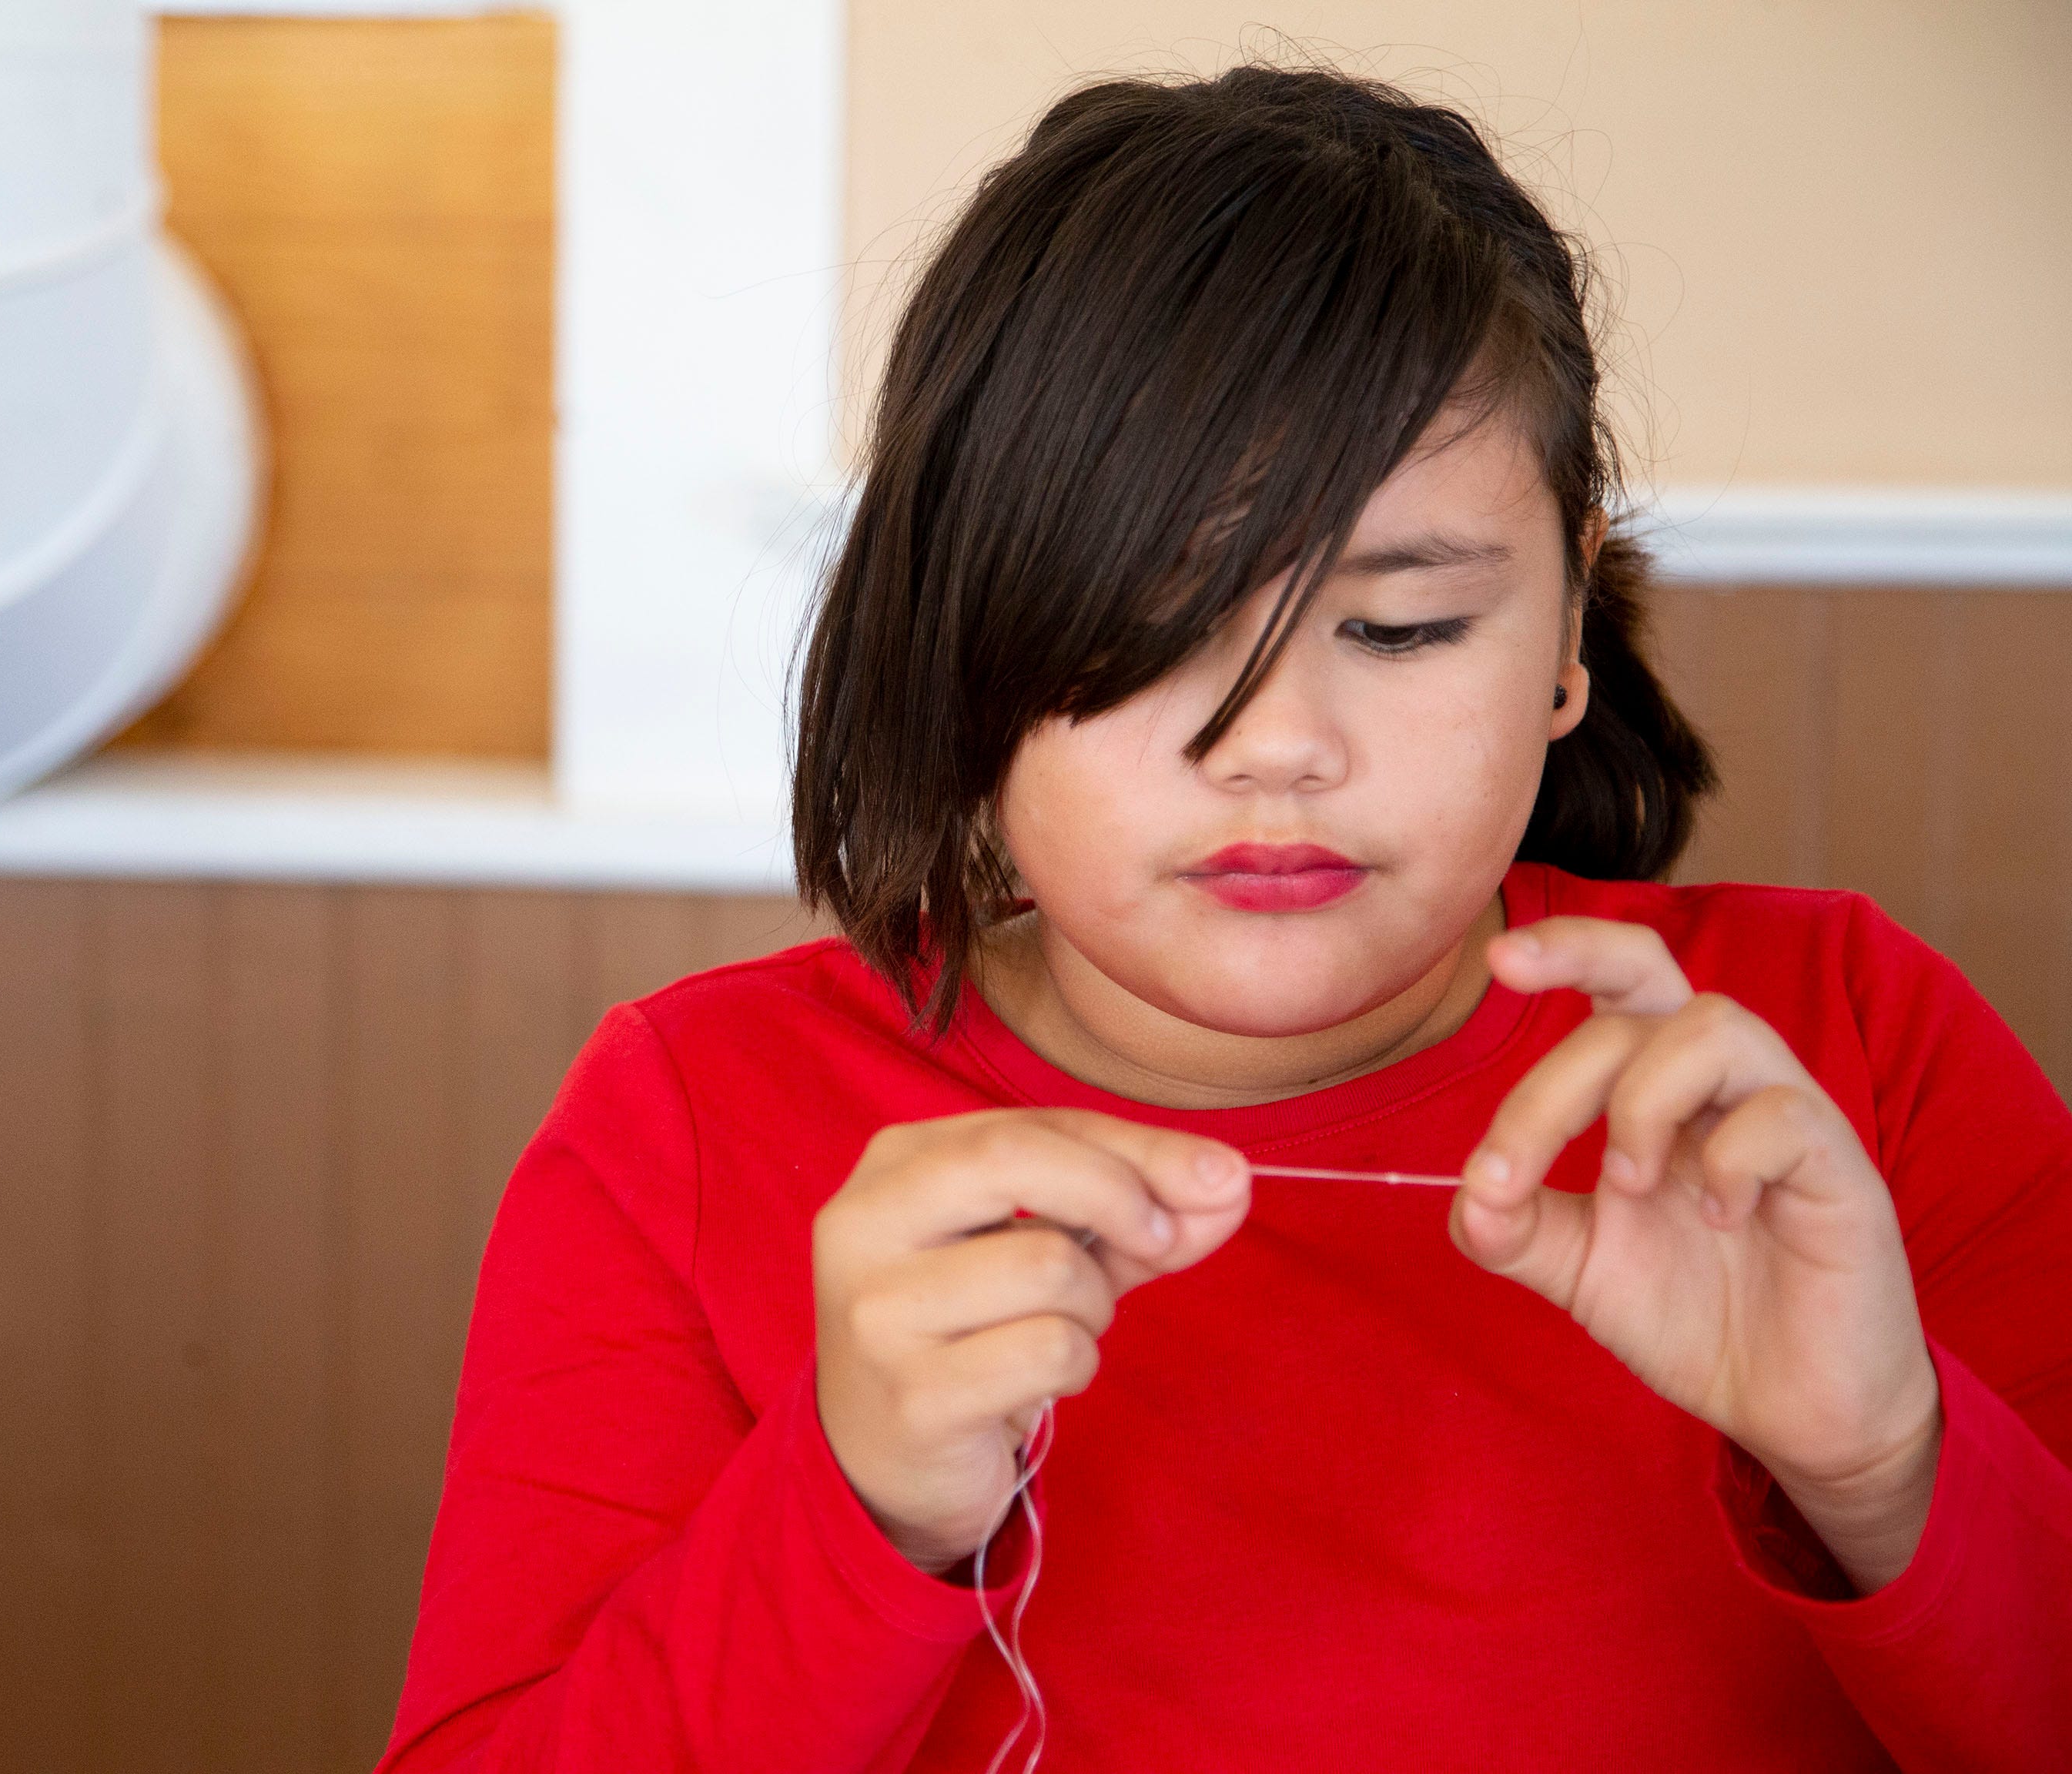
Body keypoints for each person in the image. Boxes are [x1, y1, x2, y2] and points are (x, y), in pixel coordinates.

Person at [376, 65, 2072, 1772]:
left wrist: (1888, 1465)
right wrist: (856, 1513)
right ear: (964, 643)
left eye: (1405, 630)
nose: (1277, 747)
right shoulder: (688, 1125)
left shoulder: (1839, 1054)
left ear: (1569, 620)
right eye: (1149, 631)